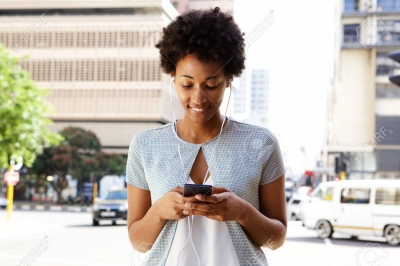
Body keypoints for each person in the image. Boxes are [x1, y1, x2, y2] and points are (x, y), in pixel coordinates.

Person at [126, 7, 287, 265]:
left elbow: (276, 239)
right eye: (187, 84)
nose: (198, 98)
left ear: (229, 79)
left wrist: (242, 212)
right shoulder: (145, 146)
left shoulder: (261, 144)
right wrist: (159, 211)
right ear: (172, 76)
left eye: (211, 84)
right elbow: (139, 243)